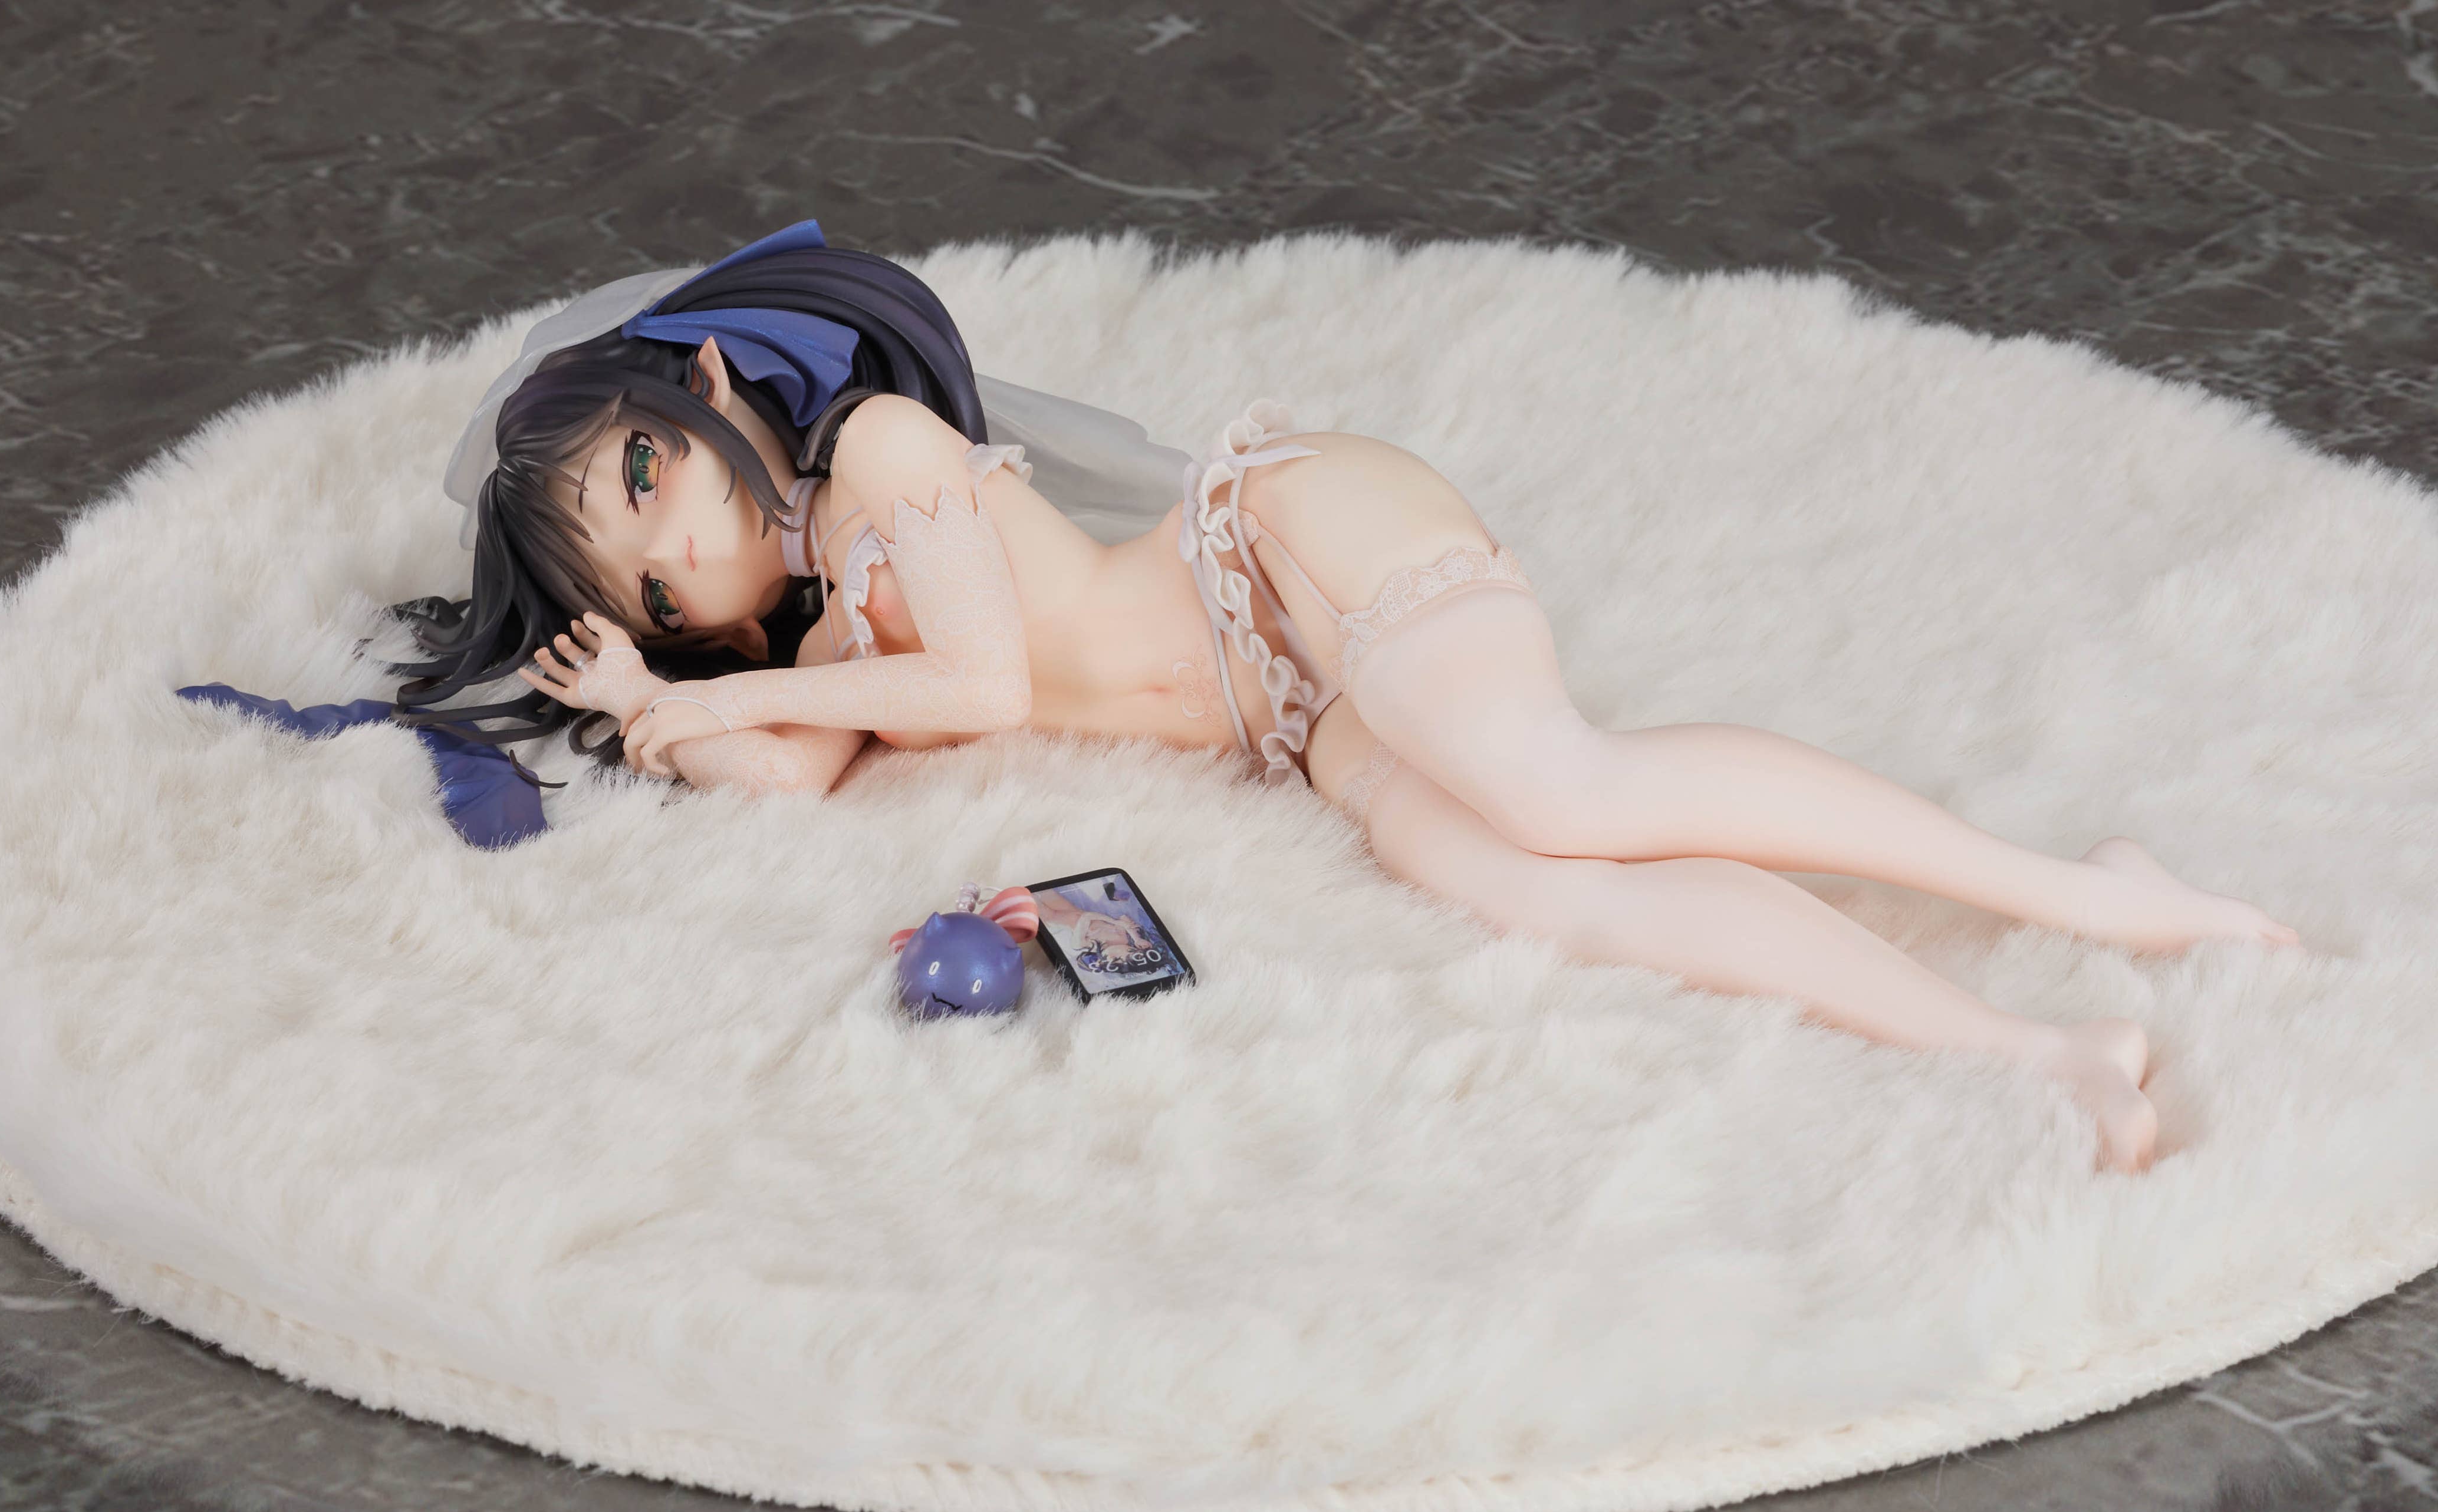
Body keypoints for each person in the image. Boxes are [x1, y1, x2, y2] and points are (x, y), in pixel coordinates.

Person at [400, 220, 2299, 1174]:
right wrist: (658, 708)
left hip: (1282, 545)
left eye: (647, 479)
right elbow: (802, 779)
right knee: (1559, 895)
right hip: (1294, 720)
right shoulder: (823, 649)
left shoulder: (887, 452)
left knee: (1561, 785)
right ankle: (2028, 1052)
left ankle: (2099, 895)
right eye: (651, 585)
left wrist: (707, 700)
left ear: (710, 385)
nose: (686, 552)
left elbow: (979, 681)